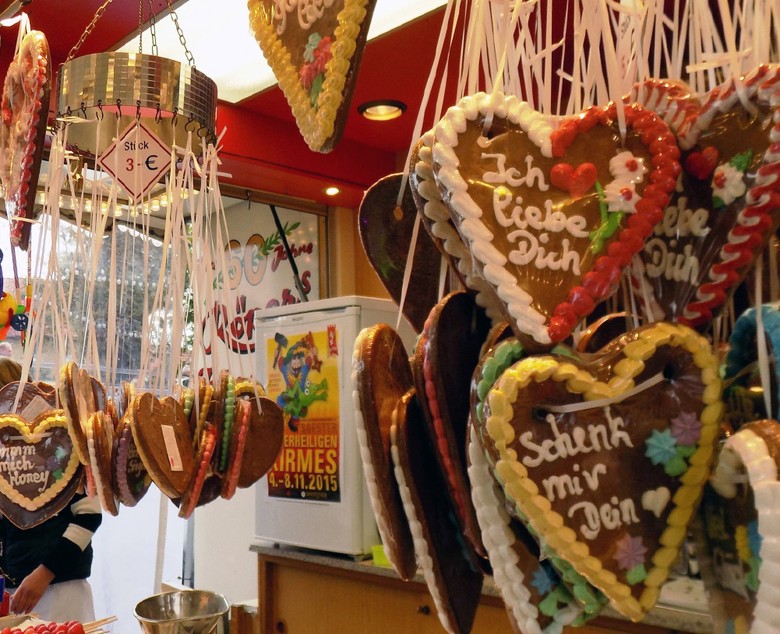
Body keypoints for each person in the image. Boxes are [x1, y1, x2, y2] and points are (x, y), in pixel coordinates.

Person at [0, 357, 102, 621]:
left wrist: (45, 572)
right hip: (12, 595)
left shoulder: (61, 444)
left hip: (62, 593)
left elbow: (89, 516)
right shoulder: (4, 454)